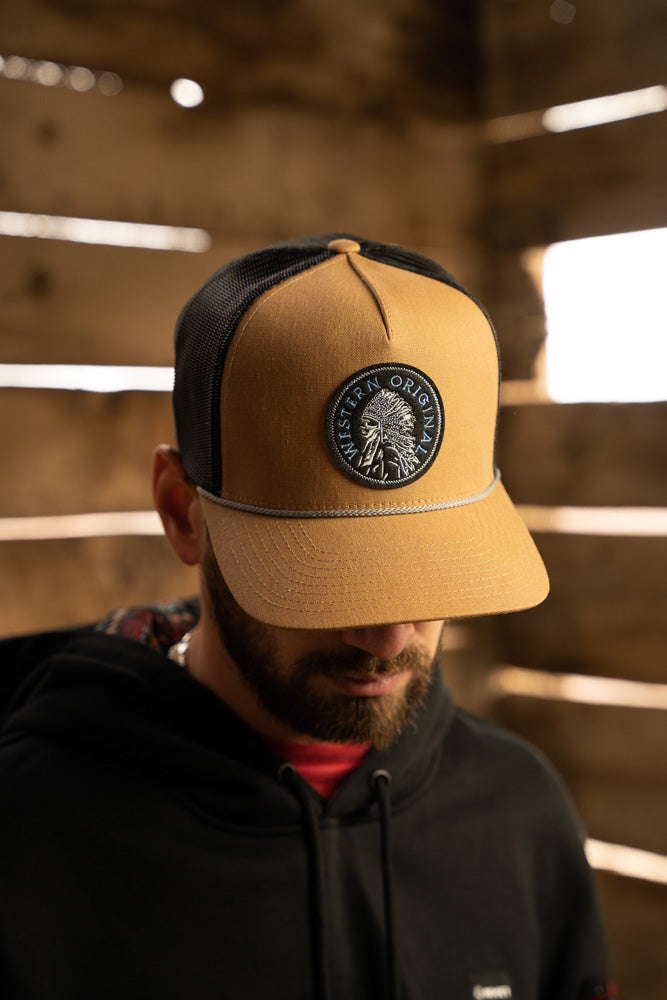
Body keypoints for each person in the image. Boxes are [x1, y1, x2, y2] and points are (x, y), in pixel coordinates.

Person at [0, 234, 613, 999]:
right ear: (181, 511)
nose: (388, 637)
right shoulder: (29, 836)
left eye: (430, 568)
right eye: (328, 582)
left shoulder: (519, 811)